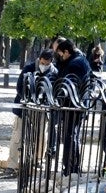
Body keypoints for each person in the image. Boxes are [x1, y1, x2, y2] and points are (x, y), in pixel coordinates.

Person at [9, 49, 57, 170]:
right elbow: (20, 87)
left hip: (42, 109)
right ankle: (12, 163)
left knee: (41, 136)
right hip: (24, 108)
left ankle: (38, 160)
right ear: (39, 59)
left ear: (51, 61)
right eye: (42, 62)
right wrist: (29, 100)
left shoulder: (54, 72)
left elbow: (54, 91)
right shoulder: (28, 68)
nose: (44, 66)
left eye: (47, 63)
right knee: (17, 135)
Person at [54, 38, 91, 175]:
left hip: (73, 106)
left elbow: (70, 86)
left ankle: (71, 167)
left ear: (67, 51)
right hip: (76, 106)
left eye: (61, 54)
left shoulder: (75, 64)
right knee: (71, 135)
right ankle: (71, 166)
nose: (60, 57)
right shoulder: (78, 60)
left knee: (70, 136)